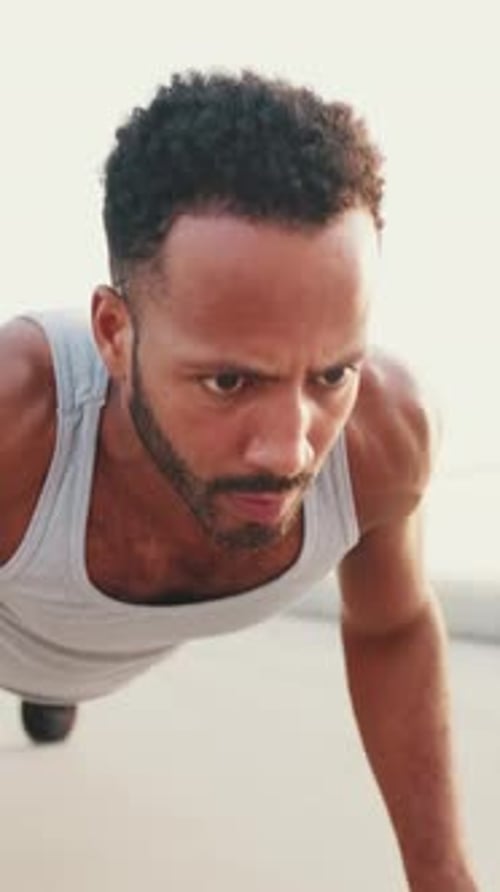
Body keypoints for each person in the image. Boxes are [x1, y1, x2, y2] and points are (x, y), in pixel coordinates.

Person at [0, 70, 477, 889]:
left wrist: (444, 879)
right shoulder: (18, 419)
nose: (290, 453)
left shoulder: (385, 437)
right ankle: (47, 691)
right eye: (229, 382)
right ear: (113, 335)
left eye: (331, 374)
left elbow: (393, 626)